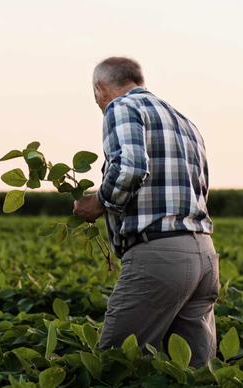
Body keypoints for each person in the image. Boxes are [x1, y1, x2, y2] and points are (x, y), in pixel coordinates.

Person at [73, 56, 219, 368]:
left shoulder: (122, 107)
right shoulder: (185, 122)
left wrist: (98, 201)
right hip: (204, 256)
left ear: (100, 89)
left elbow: (131, 167)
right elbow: (202, 187)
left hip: (160, 255)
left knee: (117, 365)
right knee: (193, 374)